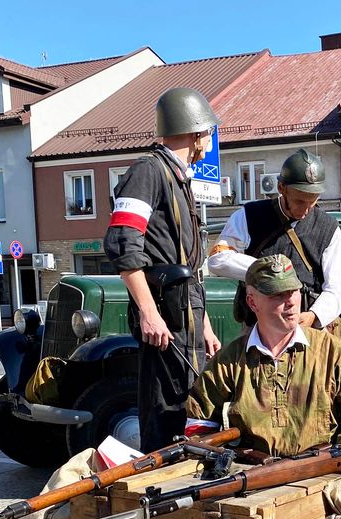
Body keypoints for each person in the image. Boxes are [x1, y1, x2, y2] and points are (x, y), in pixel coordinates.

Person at [105, 86, 222, 453]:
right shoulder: (148, 172)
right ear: (196, 132)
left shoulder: (178, 178)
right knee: (163, 416)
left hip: (184, 318)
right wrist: (149, 314)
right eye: (207, 132)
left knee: (186, 415)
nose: (208, 140)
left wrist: (204, 326)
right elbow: (124, 246)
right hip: (165, 322)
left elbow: (187, 265)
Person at [187, 255, 341, 457]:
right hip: (251, 478)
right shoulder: (229, 362)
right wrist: (220, 465)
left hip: (321, 477)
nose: (290, 302)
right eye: (277, 295)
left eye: (293, 291)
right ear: (252, 302)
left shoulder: (330, 351)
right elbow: (199, 427)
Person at [209, 148, 341, 337]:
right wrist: (270, 270)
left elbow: (339, 288)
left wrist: (314, 315)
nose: (307, 210)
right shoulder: (250, 216)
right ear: (281, 188)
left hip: (307, 328)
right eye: (300, 201)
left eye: (313, 202)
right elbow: (218, 259)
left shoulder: (328, 227)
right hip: (258, 329)